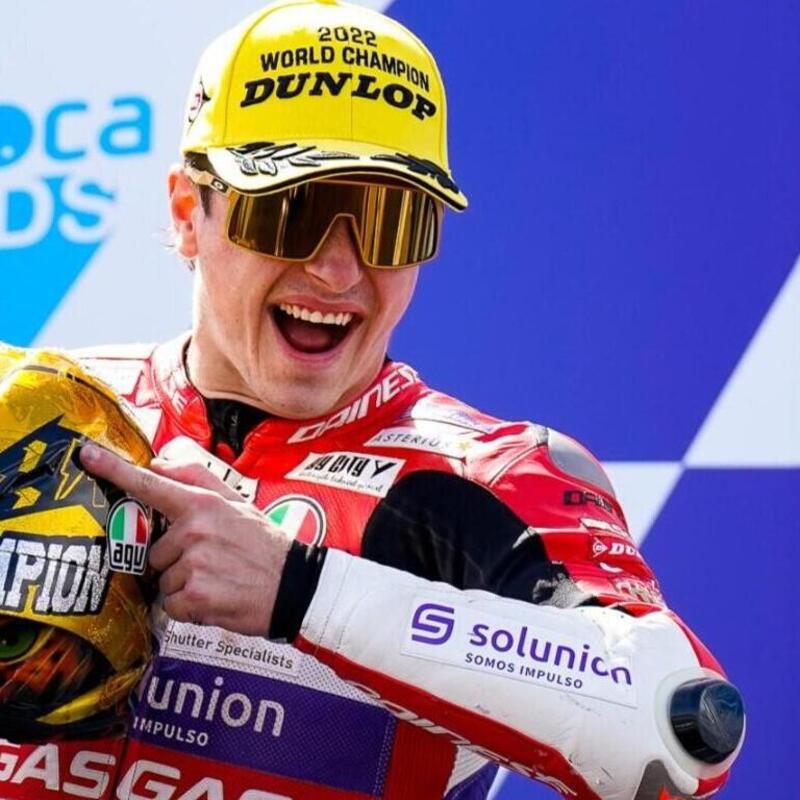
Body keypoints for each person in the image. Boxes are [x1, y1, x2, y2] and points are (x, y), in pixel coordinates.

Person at [0, 1, 743, 798]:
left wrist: (301, 589)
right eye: (292, 213)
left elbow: (679, 736)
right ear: (189, 213)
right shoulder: (42, 412)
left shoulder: (482, 476)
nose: (340, 272)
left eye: (391, 224)